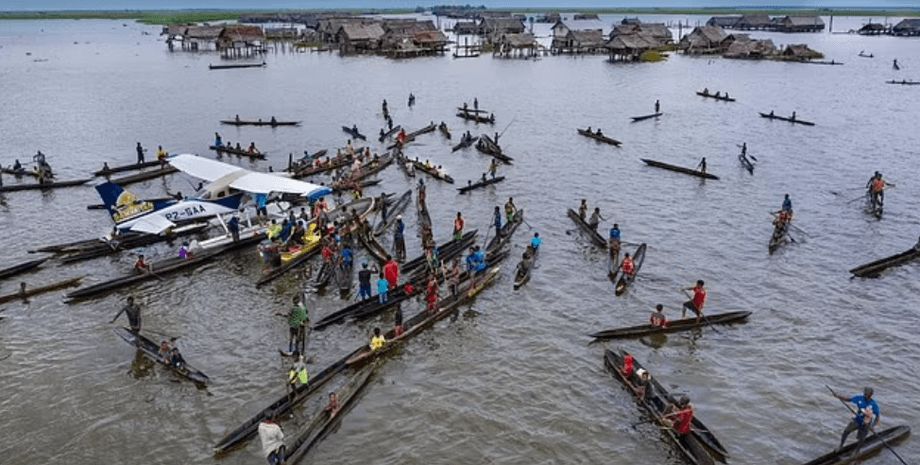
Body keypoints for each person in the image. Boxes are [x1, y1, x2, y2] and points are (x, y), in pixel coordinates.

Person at [834, 387, 881, 454]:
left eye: (867, 394)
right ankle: (841, 446)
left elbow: (877, 417)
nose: (865, 395)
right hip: (857, 420)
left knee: (861, 438)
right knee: (846, 431)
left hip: (866, 424)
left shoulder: (874, 404)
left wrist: (872, 426)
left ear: (871, 395)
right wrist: (838, 396)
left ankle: (857, 451)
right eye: (865, 394)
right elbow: (848, 399)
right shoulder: (859, 398)